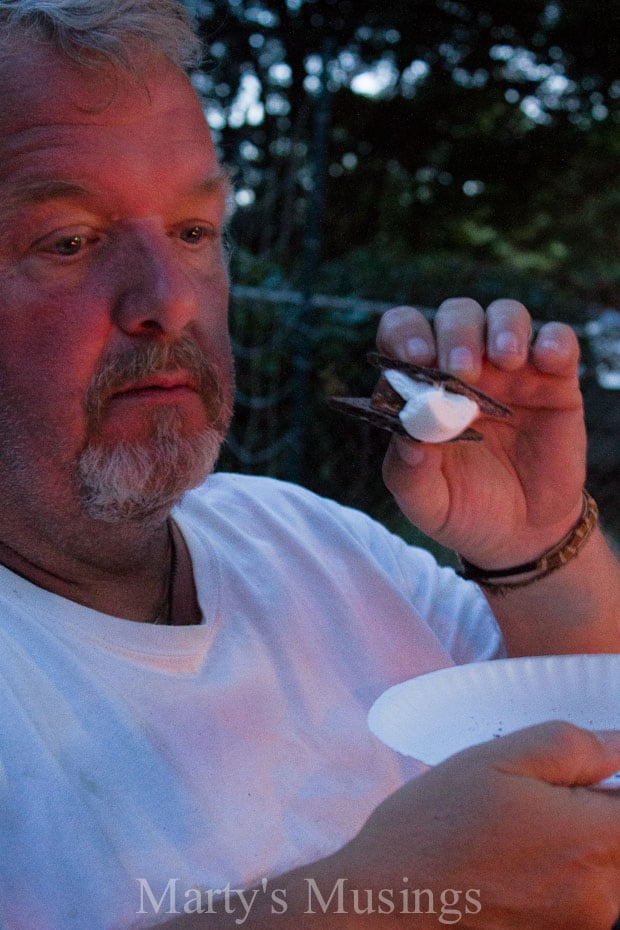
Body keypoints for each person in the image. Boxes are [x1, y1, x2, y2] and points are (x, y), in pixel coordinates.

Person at [0, 1, 618, 928]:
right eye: (69, 240)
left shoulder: (304, 539)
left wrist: (533, 550)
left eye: (194, 231)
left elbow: (586, 728)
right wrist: (383, 904)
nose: (169, 301)